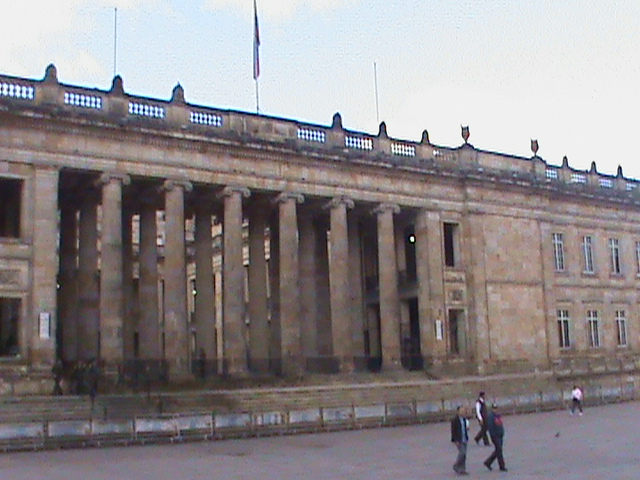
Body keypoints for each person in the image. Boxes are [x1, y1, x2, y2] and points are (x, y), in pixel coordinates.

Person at [484, 404, 508, 472]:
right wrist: (493, 435)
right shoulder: (491, 417)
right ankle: (502, 466)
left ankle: (488, 462)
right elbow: (490, 427)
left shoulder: (498, 416)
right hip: (495, 436)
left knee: (498, 451)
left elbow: (500, 425)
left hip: (500, 435)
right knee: (499, 451)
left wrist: (502, 432)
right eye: (494, 408)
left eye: (496, 408)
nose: (495, 410)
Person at [451, 406, 470, 475]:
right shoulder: (455, 420)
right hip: (459, 439)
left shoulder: (464, 419)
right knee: (462, 453)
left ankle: (462, 469)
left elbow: (465, 428)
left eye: (464, 410)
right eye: (461, 410)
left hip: (464, 438)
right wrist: (455, 440)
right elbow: (453, 431)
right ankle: (456, 465)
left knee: (464, 455)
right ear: (458, 411)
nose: (463, 412)